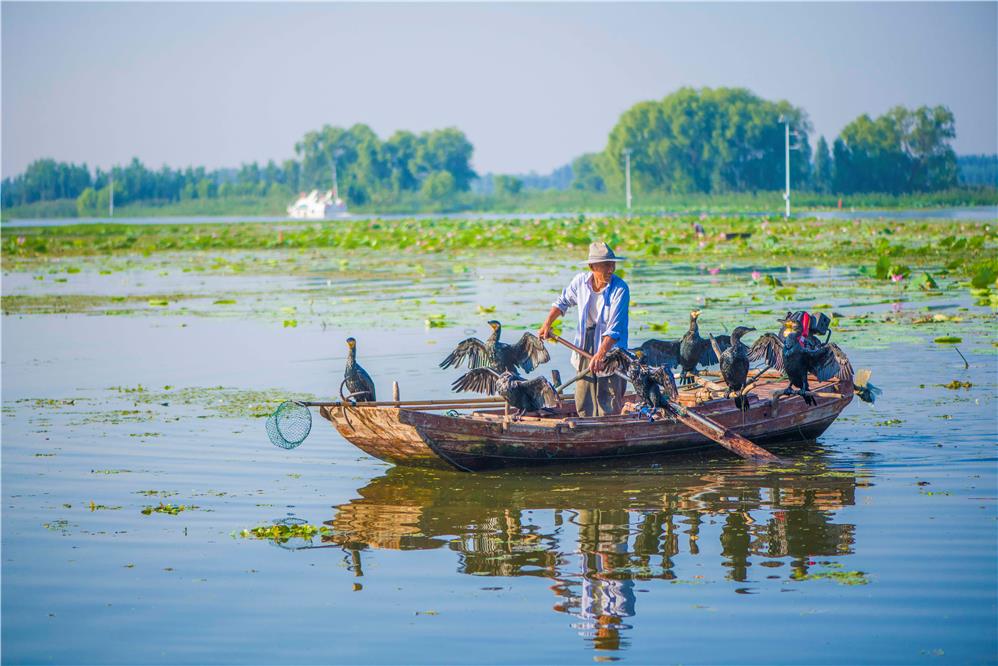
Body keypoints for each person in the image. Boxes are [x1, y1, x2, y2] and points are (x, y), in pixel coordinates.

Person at [538, 241, 629, 417]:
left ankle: (608, 431)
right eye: (606, 265)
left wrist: (601, 353)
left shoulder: (620, 289)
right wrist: (547, 323)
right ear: (592, 266)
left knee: (608, 401)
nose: (611, 269)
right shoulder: (580, 282)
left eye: (613, 264)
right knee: (583, 398)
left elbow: (614, 329)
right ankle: (586, 428)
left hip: (611, 349)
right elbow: (562, 302)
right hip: (585, 344)